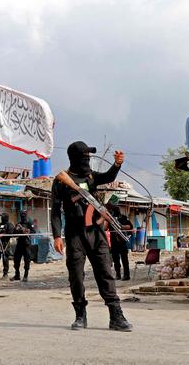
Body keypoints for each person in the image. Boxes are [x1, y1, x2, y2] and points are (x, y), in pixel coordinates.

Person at [51, 141, 132, 332]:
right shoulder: (61, 180)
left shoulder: (91, 176)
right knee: (76, 275)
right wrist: (57, 236)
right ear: (75, 158)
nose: (88, 160)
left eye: (89, 156)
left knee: (105, 271)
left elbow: (108, 176)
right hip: (74, 234)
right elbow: (55, 211)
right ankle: (80, 315)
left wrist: (117, 164)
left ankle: (116, 316)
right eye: (85, 157)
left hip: (96, 232)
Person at [107, 204, 131, 281]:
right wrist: (106, 219)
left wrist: (121, 226)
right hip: (114, 242)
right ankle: (118, 275)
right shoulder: (110, 218)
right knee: (116, 260)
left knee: (125, 260)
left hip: (122, 241)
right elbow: (104, 228)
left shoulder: (124, 217)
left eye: (115, 210)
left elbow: (130, 226)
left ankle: (127, 275)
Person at [12, 210, 35, 282]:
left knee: (27, 260)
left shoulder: (29, 223)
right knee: (16, 260)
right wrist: (16, 229)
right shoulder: (18, 223)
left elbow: (33, 232)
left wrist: (27, 230)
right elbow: (14, 233)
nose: (23, 215)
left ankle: (25, 275)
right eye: (21, 214)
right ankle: (17, 275)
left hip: (26, 244)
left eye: (24, 214)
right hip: (19, 244)